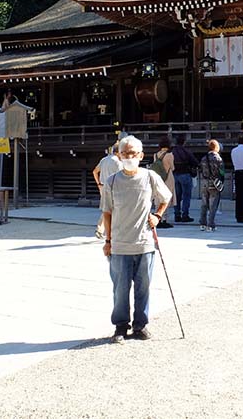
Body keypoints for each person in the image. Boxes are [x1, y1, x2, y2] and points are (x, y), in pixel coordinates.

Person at [100, 135, 170, 343]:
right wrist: (108, 241)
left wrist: (157, 216)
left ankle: (141, 325)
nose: (129, 156)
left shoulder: (150, 177)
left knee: (143, 288)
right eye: (125, 153)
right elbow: (107, 212)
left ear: (141, 155)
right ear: (119, 156)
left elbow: (165, 198)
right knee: (120, 290)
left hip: (145, 243)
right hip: (120, 244)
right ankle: (121, 326)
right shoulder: (112, 182)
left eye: (133, 153)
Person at [93, 142, 123, 240]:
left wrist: (98, 183)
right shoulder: (118, 162)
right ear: (118, 152)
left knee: (107, 208)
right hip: (113, 188)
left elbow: (95, 171)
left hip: (102, 186)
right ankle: (108, 230)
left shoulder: (104, 159)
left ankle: (100, 229)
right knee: (114, 209)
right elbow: (122, 175)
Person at [171, 134, 198, 223]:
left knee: (177, 196)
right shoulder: (186, 151)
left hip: (175, 174)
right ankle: (185, 215)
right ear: (184, 142)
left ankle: (177, 214)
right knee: (186, 196)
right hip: (185, 174)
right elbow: (195, 162)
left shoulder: (172, 151)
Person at [198, 140, 224, 232]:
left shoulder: (204, 158)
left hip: (204, 182)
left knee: (204, 204)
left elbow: (200, 169)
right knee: (213, 204)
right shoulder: (218, 159)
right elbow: (221, 172)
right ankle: (211, 224)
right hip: (214, 183)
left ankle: (202, 223)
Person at [149, 137, 175, 229]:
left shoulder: (156, 155)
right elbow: (172, 167)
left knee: (158, 198)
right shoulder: (170, 155)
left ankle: (157, 217)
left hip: (158, 177)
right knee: (166, 198)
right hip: (168, 178)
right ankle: (164, 219)